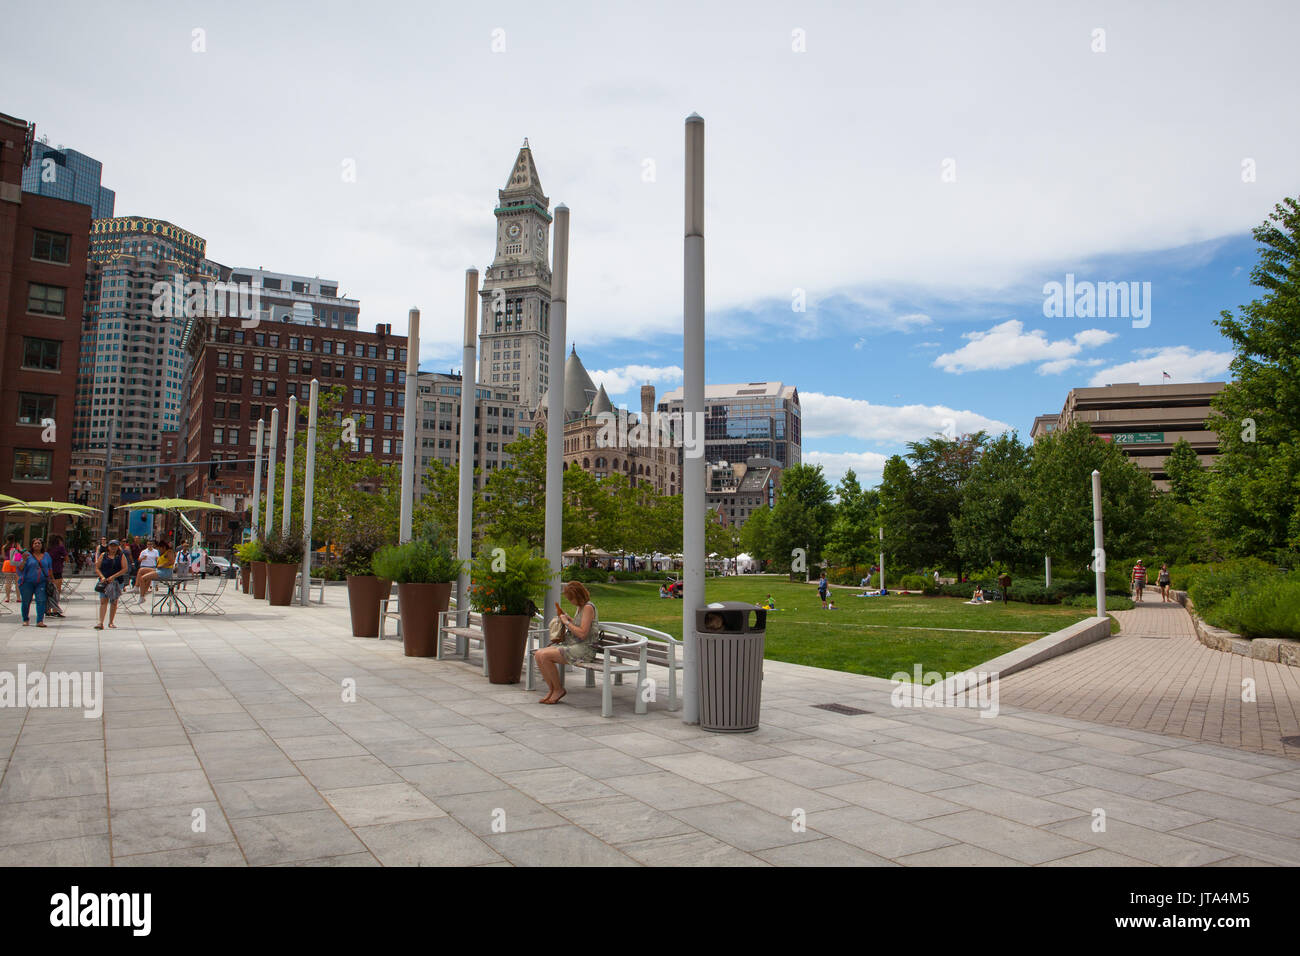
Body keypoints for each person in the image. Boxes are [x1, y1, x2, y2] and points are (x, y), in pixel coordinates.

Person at [533, 581, 599, 705]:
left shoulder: (588, 607)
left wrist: (567, 623)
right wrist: (570, 620)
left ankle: (558, 689)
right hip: (575, 645)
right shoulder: (581, 607)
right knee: (538, 654)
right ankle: (552, 689)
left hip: (585, 649)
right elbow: (580, 626)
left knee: (545, 656)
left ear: (578, 596)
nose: (570, 601)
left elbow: (583, 634)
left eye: (571, 598)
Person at [16, 538, 54, 627]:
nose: (37, 544)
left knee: (41, 601)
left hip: (42, 582)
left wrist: (52, 580)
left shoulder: (46, 555)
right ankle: (25, 619)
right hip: (27, 582)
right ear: (32, 545)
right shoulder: (26, 555)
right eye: (35, 543)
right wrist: (24, 560)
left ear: (42, 545)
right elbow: (19, 568)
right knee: (26, 601)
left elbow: (50, 569)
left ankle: (40, 621)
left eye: (39, 543)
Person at [96, 539, 128, 629]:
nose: (113, 548)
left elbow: (125, 568)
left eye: (115, 546)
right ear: (108, 547)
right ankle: (100, 622)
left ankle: (111, 622)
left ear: (118, 547)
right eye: (111, 546)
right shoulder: (103, 555)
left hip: (116, 582)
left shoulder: (121, 556)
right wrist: (102, 577)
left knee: (113, 602)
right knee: (103, 601)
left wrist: (114, 576)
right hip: (104, 581)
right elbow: (97, 567)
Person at [47, 535, 68, 616]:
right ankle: (55, 610)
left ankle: (48, 610)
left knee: (49, 591)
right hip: (57, 570)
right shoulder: (60, 548)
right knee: (56, 591)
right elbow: (67, 558)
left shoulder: (48, 549)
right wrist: (61, 559)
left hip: (48, 571)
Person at [2, 534, 18, 602]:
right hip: (14, 563)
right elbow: (19, 554)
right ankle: (18, 598)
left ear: (7, 539)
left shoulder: (4, 547)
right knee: (17, 582)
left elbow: (3, 556)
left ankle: (7, 598)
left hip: (7, 563)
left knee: (8, 581)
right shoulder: (16, 545)